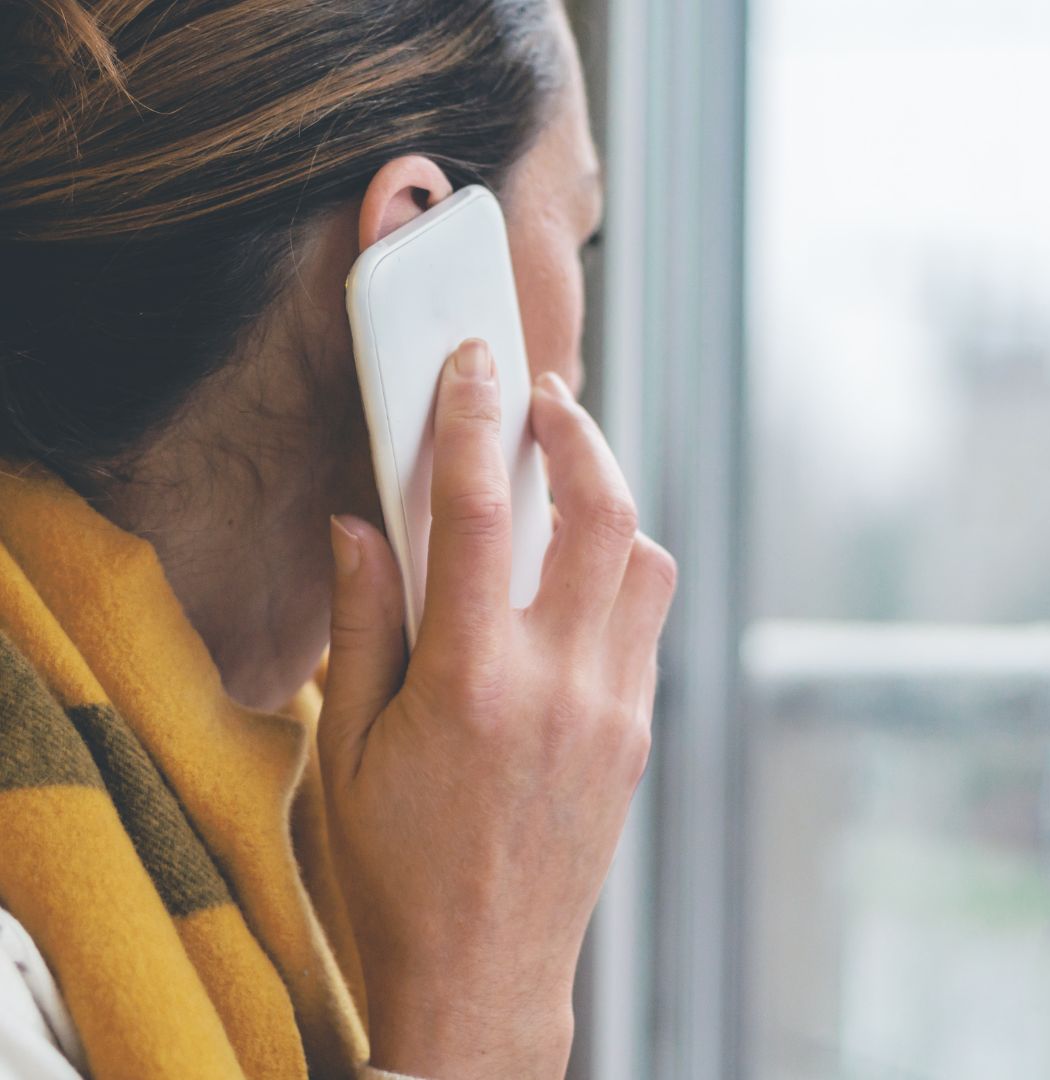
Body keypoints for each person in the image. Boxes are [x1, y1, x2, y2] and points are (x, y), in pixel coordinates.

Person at [0, 0, 678, 1076]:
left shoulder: (327, 788)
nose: (582, 368)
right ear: (418, 235)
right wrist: (481, 1004)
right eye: (581, 238)